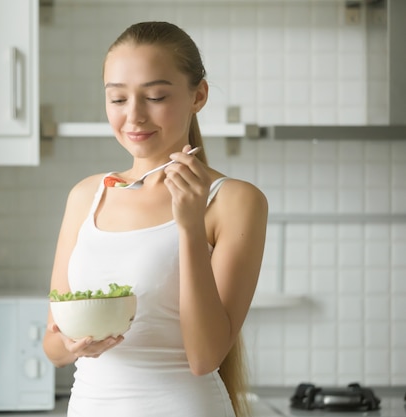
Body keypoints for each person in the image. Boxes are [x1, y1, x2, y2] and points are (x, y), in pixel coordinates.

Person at [43, 21, 268, 417]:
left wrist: (189, 225)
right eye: (117, 99)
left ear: (198, 96)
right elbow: (53, 345)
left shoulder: (235, 201)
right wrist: (75, 346)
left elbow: (204, 358)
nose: (134, 116)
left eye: (156, 96)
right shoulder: (86, 196)